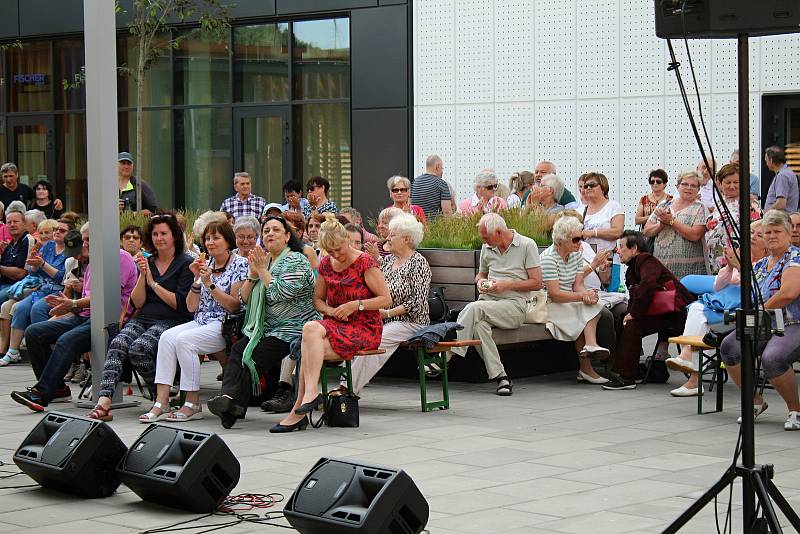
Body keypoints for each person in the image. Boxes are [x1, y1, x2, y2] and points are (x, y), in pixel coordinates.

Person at [271, 214, 391, 433]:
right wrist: (332, 311)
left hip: (363, 326)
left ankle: (298, 411)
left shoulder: (365, 261)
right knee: (310, 329)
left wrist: (355, 305)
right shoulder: (326, 263)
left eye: (338, 249)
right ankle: (308, 397)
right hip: (335, 323)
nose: (336, 254)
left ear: (346, 239)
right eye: (330, 251)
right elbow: (318, 301)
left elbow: (385, 299)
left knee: (308, 348)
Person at [10, 223, 138, 412]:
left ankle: (42, 393)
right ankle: (58, 389)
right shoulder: (93, 262)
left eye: (88, 240)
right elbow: (87, 302)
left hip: (110, 321)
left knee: (66, 340)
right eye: (84, 240)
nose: (84, 244)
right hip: (87, 317)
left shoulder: (120, 258)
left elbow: (105, 299)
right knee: (34, 332)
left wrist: (73, 305)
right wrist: (65, 305)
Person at [207, 216, 319, 428]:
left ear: (287, 236)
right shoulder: (264, 260)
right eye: (266, 230)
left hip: (294, 327)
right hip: (267, 327)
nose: (270, 234)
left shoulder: (296, 259)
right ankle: (231, 403)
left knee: (255, 356)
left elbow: (281, 293)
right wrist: (252, 275)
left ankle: (231, 405)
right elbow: (244, 299)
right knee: (239, 349)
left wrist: (262, 271)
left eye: (276, 230)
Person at [87, 213, 194, 421]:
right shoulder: (149, 261)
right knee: (118, 342)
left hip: (173, 319)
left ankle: (160, 397)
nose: (159, 238)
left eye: (164, 233)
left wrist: (154, 283)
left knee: (139, 348)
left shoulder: (185, 263)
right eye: (155, 234)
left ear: (174, 236)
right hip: (145, 317)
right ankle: (104, 402)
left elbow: (181, 305)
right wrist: (143, 276)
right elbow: (138, 302)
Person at [144, 221, 249, 423]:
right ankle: (161, 401)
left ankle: (192, 402)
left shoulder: (239, 264)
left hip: (225, 323)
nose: (210, 242)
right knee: (166, 337)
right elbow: (191, 307)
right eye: (207, 238)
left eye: (216, 238)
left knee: (185, 340)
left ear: (228, 241)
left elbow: (234, 306)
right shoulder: (205, 264)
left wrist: (209, 284)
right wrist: (196, 282)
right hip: (202, 320)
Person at [718, 210, 800, 429]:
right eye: (768, 232)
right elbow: (749, 291)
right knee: (729, 347)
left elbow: (788, 293)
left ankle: (795, 410)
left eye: (777, 231)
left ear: (789, 232)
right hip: (765, 322)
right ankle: (755, 402)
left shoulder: (795, 258)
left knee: (773, 357)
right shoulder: (762, 265)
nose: (772, 236)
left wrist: (758, 311)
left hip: (793, 323)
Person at [666, 220, 767, 397]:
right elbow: (718, 286)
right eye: (750, 233)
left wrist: (739, 266)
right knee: (697, 308)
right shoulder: (741, 255)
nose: (753, 237)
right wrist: (729, 267)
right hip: (724, 303)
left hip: (744, 308)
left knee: (702, 318)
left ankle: (692, 374)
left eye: (759, 234)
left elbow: (758, 288)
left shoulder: (767, 262)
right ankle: (688, 357)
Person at [450, 213, 542, 396]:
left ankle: (448, 354)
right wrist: (480, 283)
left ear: (499, 232)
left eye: (486, 237)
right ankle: (501, 377)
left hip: (515, 306)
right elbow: (481, 275)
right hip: (488, 303)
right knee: (479, 326)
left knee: (474, 308)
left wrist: (506, 285)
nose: (483, 241)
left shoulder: (526, 245)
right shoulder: (487, 247)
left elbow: (537, 283)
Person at [351, 214, 431, 393]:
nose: (387, 238)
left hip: (411, 322)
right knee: (350, 334)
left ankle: (347, 389)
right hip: (383, 320)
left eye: (393, 235)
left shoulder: (419, 263)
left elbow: (417, 302)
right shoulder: (387, 262)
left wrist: (387, 313)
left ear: (407, 239)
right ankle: (343, 383)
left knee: (377, 340)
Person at [605, 230, 694, 390]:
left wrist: (633, 314)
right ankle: (625, 370)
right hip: (661, 312)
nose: (618, 251)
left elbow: (648, 285)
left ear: (634, 249)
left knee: (632, 325)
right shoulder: (633, 266)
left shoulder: (646, 260)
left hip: (672, 314)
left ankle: (627, 377)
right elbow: (637, 294)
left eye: (622, 247)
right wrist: (629, 314)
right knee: (622, 320)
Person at [539, 216, 610, 384]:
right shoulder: (548, 258)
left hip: (568, 300)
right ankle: (587, 369)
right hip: (550, 304)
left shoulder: (576, 255)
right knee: (582, 313)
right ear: (562, 240)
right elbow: (555, 294)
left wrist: (588, 296)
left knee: (595, 305)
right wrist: (582, 296)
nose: (581, 243)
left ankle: (591, 346)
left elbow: (578, 285)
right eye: (576, 239)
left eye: (582, 238)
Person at [0, 220, 78, 366]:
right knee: (21, 308)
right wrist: (34, 264)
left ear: (70, 234)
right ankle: (13, 351)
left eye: (62, 230)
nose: (57, 232)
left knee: (37, 308)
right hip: (42, 287)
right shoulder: (48, 245)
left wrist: (42, 264)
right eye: (56, 229)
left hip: (59, 291)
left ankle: (43, 349)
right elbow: (32, 271)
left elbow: (62, 278)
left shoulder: (71, 251)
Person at [643, 170, 709, 280]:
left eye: (693, 185)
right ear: (677, 186)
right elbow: (647, 231)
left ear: (698, 189)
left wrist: (671, 222)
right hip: (662, 268)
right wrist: (661, 225)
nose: (689, 188)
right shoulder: (664, 204)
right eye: (685, 184)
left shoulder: (700, 208)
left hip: (690, 272)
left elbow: (695, 235)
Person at [705, 163, 762, 274]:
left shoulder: (751, 205)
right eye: (728, 182)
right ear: (720, 184)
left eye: (736, 182)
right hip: (716, 263)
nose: (732, 186)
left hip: (738, 264)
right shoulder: (719, 204)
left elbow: (758, 235)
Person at [579, 172, 624, 252]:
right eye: (586, 186)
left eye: (592, 185)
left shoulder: (613, 206)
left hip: (607, 258)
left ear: (603, 187)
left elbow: (618, 232)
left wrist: (593, 233)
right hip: (586, 258)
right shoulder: (582, 210)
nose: (588, 188)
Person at [0, 206, 35, 307]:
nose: (12, 225)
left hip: (19, 285)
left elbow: (21, 273)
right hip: (4, 283)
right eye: (9, 222)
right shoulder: (10, 244)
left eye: (16, 221)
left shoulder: (28, 240)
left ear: (24, 223)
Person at [411, 155, 453, 221]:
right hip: (434, 228)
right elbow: (447, 212)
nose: (442, 171)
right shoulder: (441, 184)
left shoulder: (414, 182)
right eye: (442, 168)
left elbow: (410, 206)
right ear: (437, 166)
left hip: (417, 226)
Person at [763, 145, 799, 212]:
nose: (766, 164)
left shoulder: (782, 176)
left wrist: (766, 213)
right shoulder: (787, 173)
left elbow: (781, 204)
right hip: (782, 217)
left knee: (752, 223)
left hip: (780, 219)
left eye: (766, 161)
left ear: (771, 161)